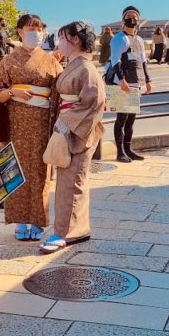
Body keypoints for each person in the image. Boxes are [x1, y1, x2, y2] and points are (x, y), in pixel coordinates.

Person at [0, 13, 63, 242]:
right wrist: (12, 92)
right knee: (16, 170)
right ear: (19, 32)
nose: (36, 33)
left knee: (41, 172)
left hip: (42, 123)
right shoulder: (9, 61)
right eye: (31, 28)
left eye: (39, 29)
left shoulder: (51, 60)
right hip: (16, 123)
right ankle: (20, 221)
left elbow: (61, 89)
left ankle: (38, 221)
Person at [39, 21, 106, 254]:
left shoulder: (86, 69)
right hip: (69, 125)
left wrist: (66, 123)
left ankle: (65, 232)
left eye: (62, 38)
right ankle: (76, 228)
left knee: (72, 183)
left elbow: (94, 102)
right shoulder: (74, 65)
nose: (59, 43)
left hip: (77, 129)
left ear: (75, 40)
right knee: (70, 181)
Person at [108, 5, 152, 163]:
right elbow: (115, 60)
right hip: (121, 82)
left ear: (139, 20)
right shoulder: (119, 38)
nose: (132, 18)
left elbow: (144, 61)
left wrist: (148, 80)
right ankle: (119, 152)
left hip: (135, 81)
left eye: (135, 16)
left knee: (131, 119)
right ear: (123, 19)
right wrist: (121, 80)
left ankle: (128, 148)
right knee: (121, 118)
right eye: (128, 16)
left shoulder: (139, 40)